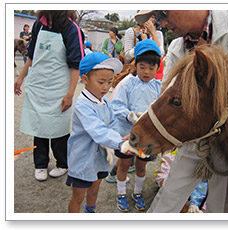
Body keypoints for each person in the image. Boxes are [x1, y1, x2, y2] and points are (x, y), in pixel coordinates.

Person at [135, 10, 228, 213]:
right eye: (158, 19)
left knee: (221, 207)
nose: (162, 22)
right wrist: (148, 125)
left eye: (163, 13)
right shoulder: (178, 47)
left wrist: (225, 86)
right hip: (192, 138)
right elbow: (167, 96)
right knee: (167, 198)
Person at [14, 10, 85, 182]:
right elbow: (31, 55)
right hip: (39, 83)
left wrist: (70, 94)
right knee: (39, 125)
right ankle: (40, 164)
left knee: (58, 127)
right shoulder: (39, 24)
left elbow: (76, 65)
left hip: (59, 85)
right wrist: (21, 77)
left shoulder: (71, 28)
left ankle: (62, 163)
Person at [66, 52, 124, 213]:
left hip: (100, 158)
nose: (106, 87)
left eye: (110, 82)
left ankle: (90, 213)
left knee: (94, 189)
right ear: (85, 79)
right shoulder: (82, 104)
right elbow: (97, 130)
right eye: (101, 82)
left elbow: (113, 123)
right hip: (83, 158)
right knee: (78, 197)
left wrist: (119, 138)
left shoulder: (105, 100)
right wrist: (120, 143)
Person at [111, 39, 162, 212]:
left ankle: (138, 193)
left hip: (147, 137)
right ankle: (121, 194)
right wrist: (129, 116)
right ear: (135, 65)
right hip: (126, 132)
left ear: (157, 68)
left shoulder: (159, 86)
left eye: (151, 68)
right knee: (123, 165)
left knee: (141, 165)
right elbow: (116, 105)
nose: (146, 72)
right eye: (142, 67)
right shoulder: (127, 83)